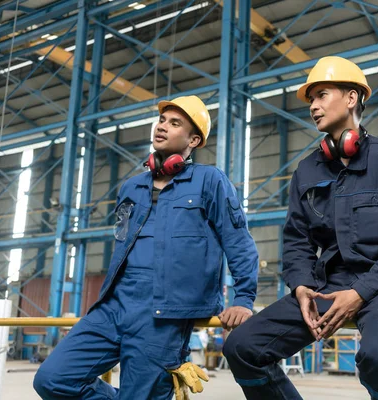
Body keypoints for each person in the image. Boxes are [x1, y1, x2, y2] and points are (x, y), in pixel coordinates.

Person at [223, 56, 378, 400]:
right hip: (326, 288)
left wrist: (361, 292)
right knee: (242, 347)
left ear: (352, 98)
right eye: (311, 100)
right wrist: (302, 285)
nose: (314, 106)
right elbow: (297, 240)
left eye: (321, 95)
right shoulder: (307, 170)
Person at [34, 95, 259, 399]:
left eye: (174, 123)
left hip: (164, 315)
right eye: (162, 120)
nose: (162, 126)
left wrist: (243, 299)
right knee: (52, 379)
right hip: (114, 305)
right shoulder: (132, 187)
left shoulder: (209, 181)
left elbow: (238, 241)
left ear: (194, 140)